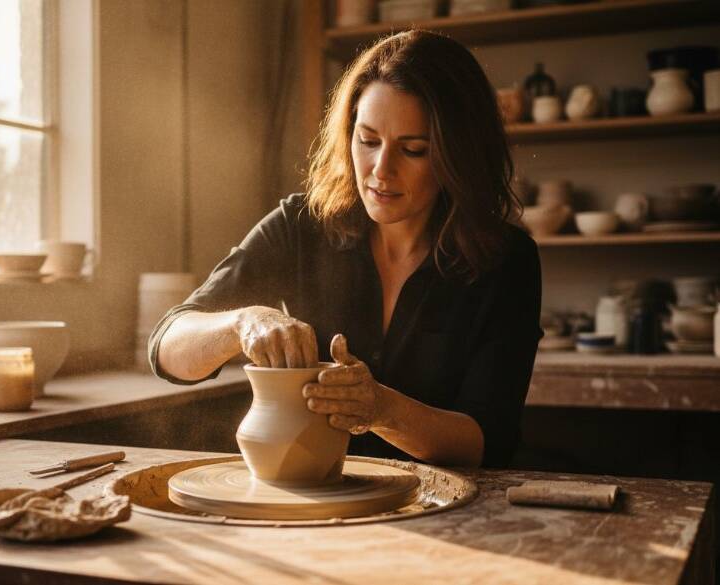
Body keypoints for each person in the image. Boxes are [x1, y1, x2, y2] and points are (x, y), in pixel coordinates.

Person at [149, 30, 542, 468]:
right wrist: (242, 322)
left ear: (459, 155)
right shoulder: (301, 225)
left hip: (446, 508)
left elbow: (489, 441)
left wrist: (382, 409)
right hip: (309, 491)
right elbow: (168, 350)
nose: (381, 170)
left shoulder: (505, 261)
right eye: (368, 140)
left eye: (413, 150)